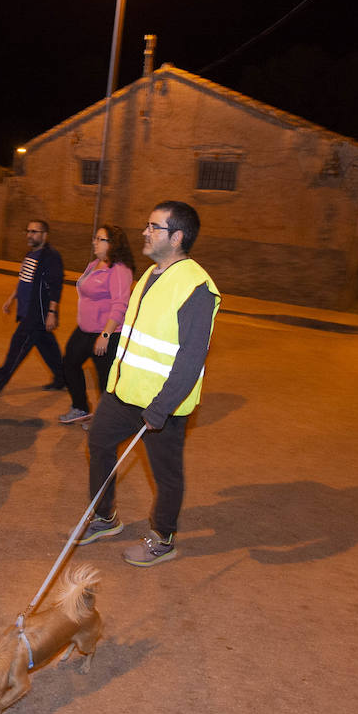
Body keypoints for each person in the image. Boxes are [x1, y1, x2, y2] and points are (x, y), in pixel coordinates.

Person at [78, 201, 221, 567]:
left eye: (154, 227)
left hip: (162, 405)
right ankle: (106, 517)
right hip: (124, 393)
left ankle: (163, 537)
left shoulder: (196, 287)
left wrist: (160, 408)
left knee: (166, 474)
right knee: (98, 441)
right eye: (147, 225)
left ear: (176, 237)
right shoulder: (150, 274)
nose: (145, 232)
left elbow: (191, 358)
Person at [57, 224, 135, 425]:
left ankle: (105, 422)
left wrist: (106, 335)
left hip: (106, 333)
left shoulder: (119, 270)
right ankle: (81, 407)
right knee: (69, 364)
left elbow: (120, 305)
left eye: (100, 239)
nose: (94, 242)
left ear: (112, 244)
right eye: (96, 238)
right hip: (84, 330)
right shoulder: (94, 265)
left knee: (104, 380)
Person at [0, 219, 65, 395]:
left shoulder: (51, 257)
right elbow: (24, 281)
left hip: (38, 312)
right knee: (47, 346)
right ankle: (63, 378)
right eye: (28, 231)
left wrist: (52, 312)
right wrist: (11, 299)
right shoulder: (30, 255)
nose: (29, 235)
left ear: (44, 235)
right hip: (26, 311)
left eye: (34, 231)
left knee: (18, 345)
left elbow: (56, 286)